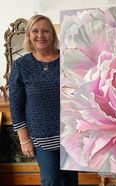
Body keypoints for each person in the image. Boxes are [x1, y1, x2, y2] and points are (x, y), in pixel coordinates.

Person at [9, 15, 78, 186]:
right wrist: (24, 140)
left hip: (71, 135)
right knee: (50, 182)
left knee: (70, 182)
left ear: (53, 35)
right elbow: (16, 105)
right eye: (35, 31)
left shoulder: (68, 60)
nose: (40, 35)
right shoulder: (21, 66)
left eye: (46, 31)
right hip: (42, 138)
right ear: (29, 35)